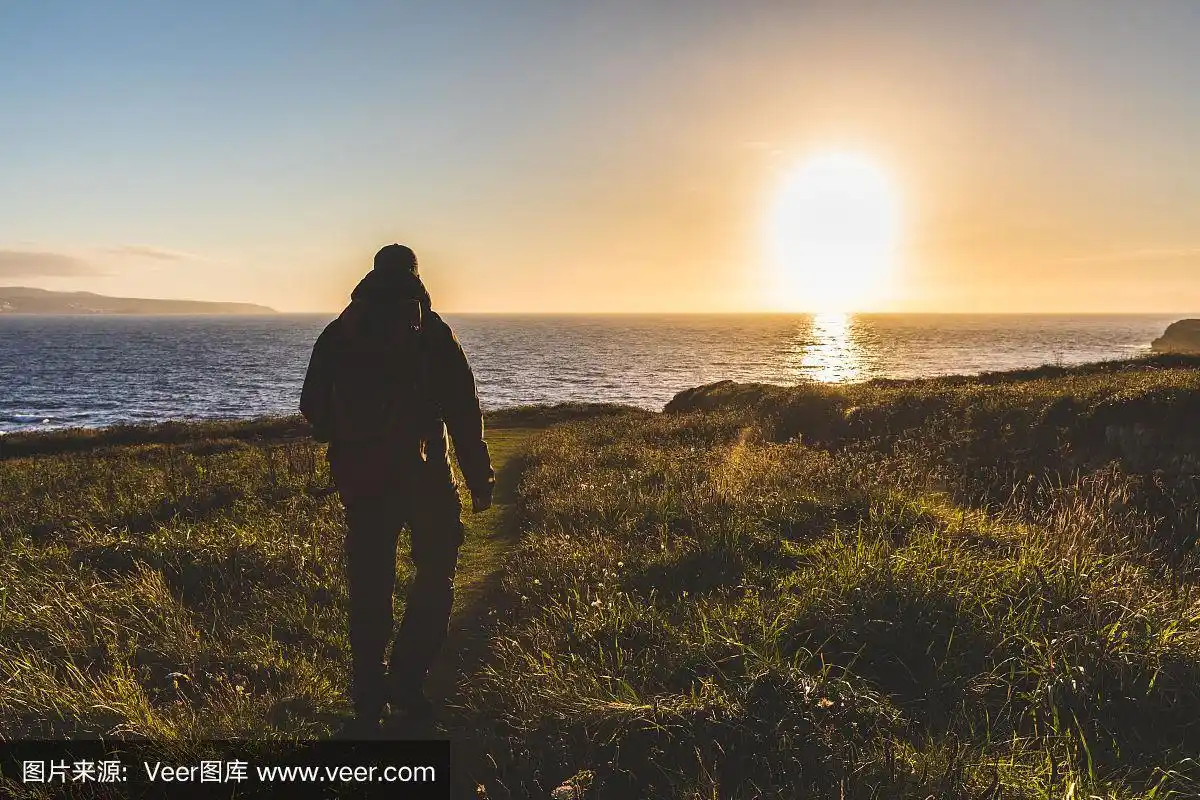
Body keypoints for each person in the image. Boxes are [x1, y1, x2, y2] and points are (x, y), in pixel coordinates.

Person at [300, 243, 494, 736]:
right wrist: (479, 479)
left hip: (363, 481)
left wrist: (347, 434)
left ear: (372, 274)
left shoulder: (340, 332)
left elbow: (313, 409)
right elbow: (464, 413)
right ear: (414, 274)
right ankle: (407, 681)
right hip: (426, 476)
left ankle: (367, 692)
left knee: (370, 584)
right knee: (435, 577)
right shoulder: (433, 332)